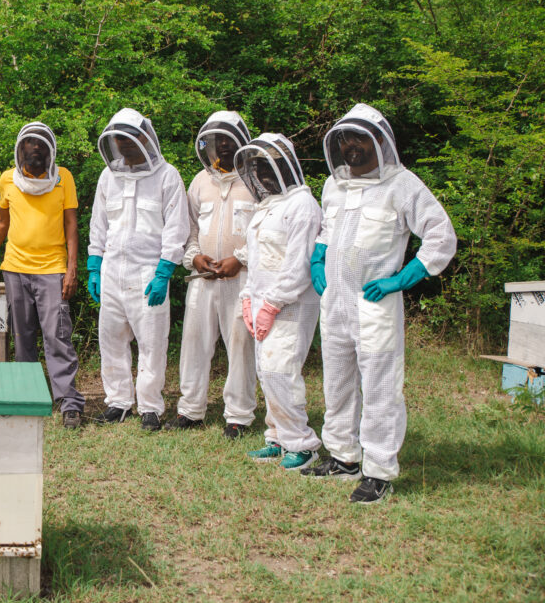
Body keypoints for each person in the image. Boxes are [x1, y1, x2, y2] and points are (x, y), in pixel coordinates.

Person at [305, 103, 456, 503]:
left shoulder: (402, 185)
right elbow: (326, 230)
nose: (351, 148)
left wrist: (402, 279)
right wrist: (318, 259)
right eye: (345, 141)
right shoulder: (333, 185)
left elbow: (441, 235)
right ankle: (342, 456)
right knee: (336, 383)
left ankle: (378, 470)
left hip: (375, 304)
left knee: (380, 388)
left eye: (359, 139)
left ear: (379, 142)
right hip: (334, 301)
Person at [0, 122, 86, 428]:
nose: (34, 151)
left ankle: (68, 402)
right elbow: (1, 223)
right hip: (15, 268)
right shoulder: (8, 179)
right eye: (29, 147)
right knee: (22, 336)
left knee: (57, 335)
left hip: (52, 269)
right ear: (19, 151)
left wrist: (72, 268)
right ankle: (27, 395)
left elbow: (71, 225)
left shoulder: (64, 179)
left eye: (40, 147)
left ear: (50, 152)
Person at [87, 108, 189, 432]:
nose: (125, 149)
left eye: (130, 143)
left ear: (145, 140)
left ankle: (149, 406)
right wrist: (94, 265)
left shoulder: (167, 176)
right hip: (112, 270)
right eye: (120, 143)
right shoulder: (109, 176)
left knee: (152, 343)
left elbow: (176, 227)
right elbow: (98, 224)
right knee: (111, 340)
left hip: (148, 272)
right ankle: (117, 401)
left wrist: (164, 272)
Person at [234, 133, 323, 471]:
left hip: (292, 305)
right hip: (262, 303)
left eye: (267, 167)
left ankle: (302, 444)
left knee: (281, 370)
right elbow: (258, 261)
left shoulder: (303, 205)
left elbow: (299, 266)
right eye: (256, 169)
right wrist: (248, 298)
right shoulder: (266, 207)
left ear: (285, 166)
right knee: (266, 371)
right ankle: (277, 437)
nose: (261, 176)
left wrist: (272, 303)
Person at [175, 111, 259, 438]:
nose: (223, 146)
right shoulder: (200, 181)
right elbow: (190, 229)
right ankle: (190, 409)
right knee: (194, 341)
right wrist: (194, 257)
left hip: (243, 278)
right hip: (203, 279)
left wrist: (240, 259)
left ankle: (238, 415)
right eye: (216, 140)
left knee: (240, 344)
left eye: (229, 139)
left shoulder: (256, 179)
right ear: (207, 144)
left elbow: (266, 232)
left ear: (242, 141)